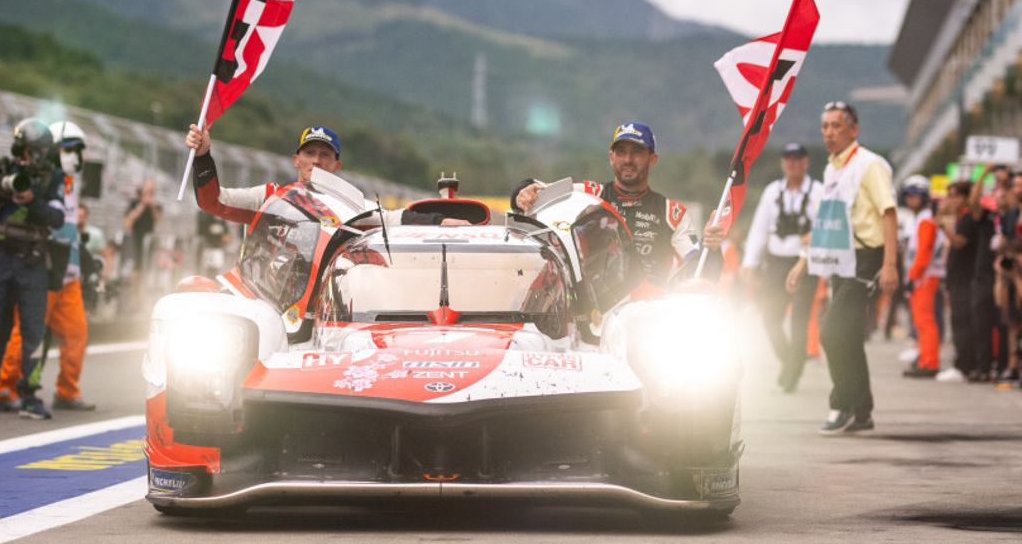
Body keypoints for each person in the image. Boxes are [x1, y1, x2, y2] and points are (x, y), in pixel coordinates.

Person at [788, 101, 897, 435]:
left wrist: (890, 265)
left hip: (867, 258)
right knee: (848, 336)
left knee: (832, 332)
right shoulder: (832, 169)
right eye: (825, 126)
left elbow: (888, 213)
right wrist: (803, 262)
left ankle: (842, 405)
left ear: (854, 129)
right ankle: (862, 412)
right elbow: (824, 222)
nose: (829, 133)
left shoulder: (869, 165)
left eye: (836, 126)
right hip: (840, 257)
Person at [510, 121, 724, 285]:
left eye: (637, 152)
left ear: (653, 159)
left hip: (648, 321)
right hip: (591, 318)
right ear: (612, 157)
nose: (628, 160)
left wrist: (711, 248)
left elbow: (700, 271)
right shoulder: (588, 194)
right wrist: (523, 192)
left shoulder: (672, 213)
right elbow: (539, 193)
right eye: (621, 152)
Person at [0, 118, 64, 421]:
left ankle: (30, 394)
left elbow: (57, 219)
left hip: (32, 262)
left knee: (34, 329)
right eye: (31, 150)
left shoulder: (53, 178)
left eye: (40, 150)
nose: (34, 156)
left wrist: (32, 200)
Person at [0, 121, 95, 413]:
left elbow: (72, 231)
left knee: (77, 333)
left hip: (69, 274)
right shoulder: (43, 180)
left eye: (79, 150)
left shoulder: (73, 184)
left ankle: (67, 391)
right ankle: (4, 388)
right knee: (27, 333)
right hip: (43, 267)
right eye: (70, 149)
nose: (75, 156)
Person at [185, 124, 463, 228]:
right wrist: (203, 156)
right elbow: (212, 201)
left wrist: (442, 221)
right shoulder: (269, 197)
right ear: (296, 160)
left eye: (325, 155)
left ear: (336, 166)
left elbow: (394, 218)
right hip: (269, 297)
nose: (316, 160)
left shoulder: (352, 206)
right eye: (309, 153)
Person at [740, 142, 821, 393]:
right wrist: (749, 262)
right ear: (783, 163)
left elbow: (823, 227)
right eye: (788, 159)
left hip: (806, 262)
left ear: (805, 163)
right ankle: (789, 360)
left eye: (798, 159)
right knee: (770, 317)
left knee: (799, 320)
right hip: (776, 262)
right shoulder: (772, 192)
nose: (793, 164)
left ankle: (792, 372)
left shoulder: (818, 191)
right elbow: (759, 228)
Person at [937, 169, 997, 382]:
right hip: (959, 278)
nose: (950, 200)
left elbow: (960, 242)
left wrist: (944, 226)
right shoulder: (963, 218)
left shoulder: (971, 218)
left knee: (964, 321)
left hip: (967, 278)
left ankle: (965, 364)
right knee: (960, 320)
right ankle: (965, 362)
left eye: (954, 196)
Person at [900, 175, 945, 378]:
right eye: (909, 195)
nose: (911, 199)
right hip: (920, 275)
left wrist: (913, 276)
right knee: (921, 321)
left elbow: (924, 251)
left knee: (925, 321)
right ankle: (924, 358)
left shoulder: (925, 219)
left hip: (924, 276)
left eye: (916, 196)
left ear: (924, 197)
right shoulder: (919, 218)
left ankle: (930, 362)